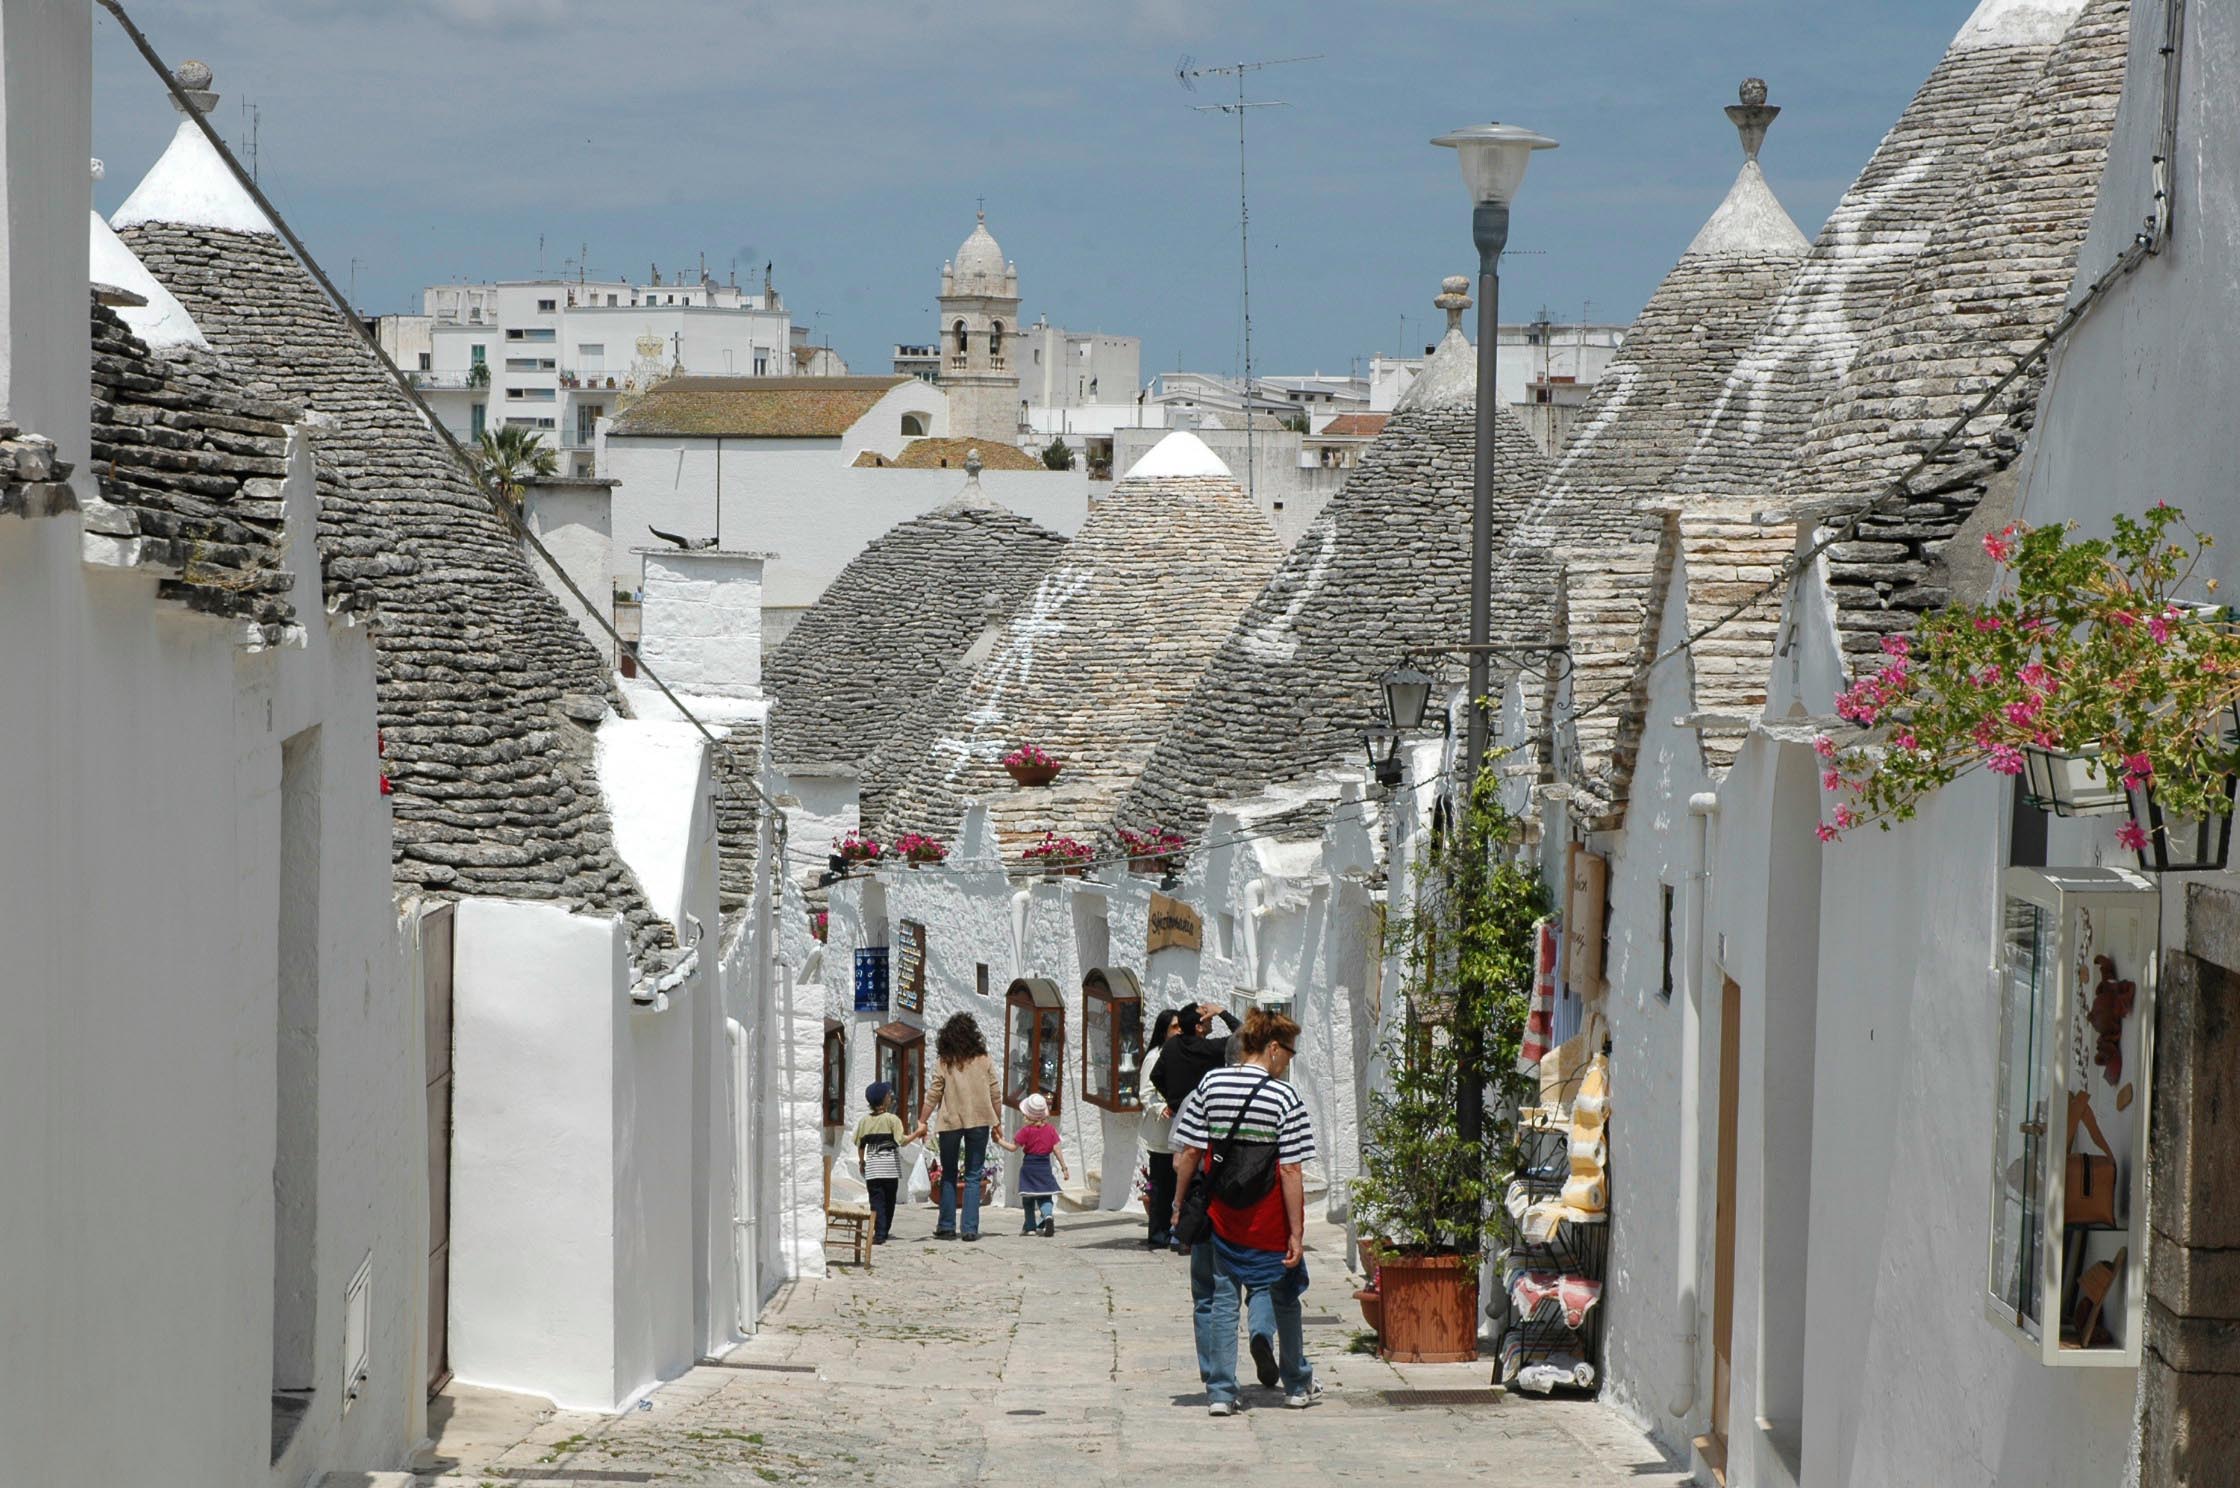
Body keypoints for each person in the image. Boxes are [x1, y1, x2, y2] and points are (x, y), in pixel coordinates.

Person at [1170, 1009, 1320, 1415]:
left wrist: (1180, 1203)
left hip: (1221, 1215)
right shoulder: (1284, 1097)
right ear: (1273, 1048)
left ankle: (1221, 1391)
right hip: (1268, 1217)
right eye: (1288, 1053)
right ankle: (1296, 1383)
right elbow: (1290, 1169)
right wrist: (1296, 1231)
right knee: (1285, 1297)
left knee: (1222, 1298)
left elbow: (1189, 1153)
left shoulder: (1210, 1084)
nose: (1288, 1061)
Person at [908, 1012, 1002, 1242]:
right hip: (979, 1120)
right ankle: (969, 1228)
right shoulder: (985, 1060)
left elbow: (933, 1094)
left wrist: (922, 1120)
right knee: (973, 1174)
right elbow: (995, 1093)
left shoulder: (944, 1062)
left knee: (949, 1173)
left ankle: (947, 1226)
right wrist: (997, 1122)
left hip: (950, 1121)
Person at [1138, 1010, 1183, 1250]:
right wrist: (1161, 1108)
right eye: (1174, 1027)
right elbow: (1145, 1092)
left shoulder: (1182, 1055)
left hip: (1180, 1134)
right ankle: (1158, 1234)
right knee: (1162, 1187)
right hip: (1161, 1133)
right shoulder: (1154, 1057)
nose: (1178, 1031)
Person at [996, 1092, 1069, 1235]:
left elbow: (1012, 1148)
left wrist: (998, 1140)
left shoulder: (1025, 1131)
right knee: (1045, 1197)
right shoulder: (1051, 1131)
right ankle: (1047, 1216)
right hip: (1044, 1167)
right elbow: (1057, 1149)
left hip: (1029, 1167)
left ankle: (1030, 1227)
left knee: (1028, 1199)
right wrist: (1064, 1168)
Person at [852, 1081, 908, 1244]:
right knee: (889, 1202)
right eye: (888, 1094)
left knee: (876, 1201)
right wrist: (917, 1133)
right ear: (884, 1100)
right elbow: (901, 1141)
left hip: (873, 1171)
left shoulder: (864, 1122)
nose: (891, 1096)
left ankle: (879, 1231)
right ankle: (883, 1231)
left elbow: (861, 1145)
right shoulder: (893, 1120)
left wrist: (862, 1162)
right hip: (890, 1170)